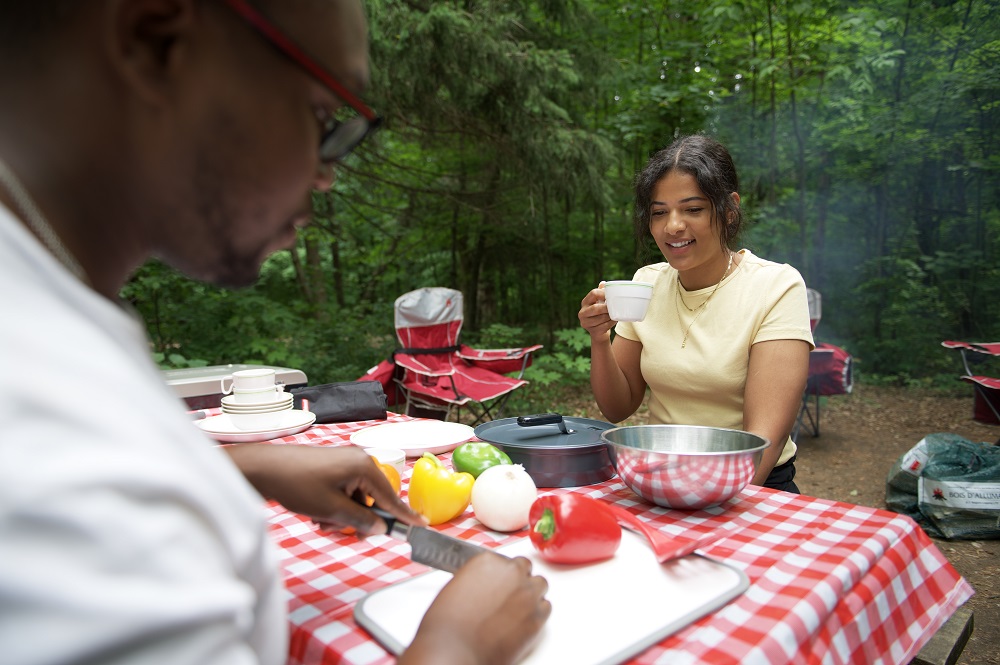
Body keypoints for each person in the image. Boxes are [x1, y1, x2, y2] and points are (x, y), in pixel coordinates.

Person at [0, 1, 550, 664]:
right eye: (322, 115)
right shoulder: (66, 453)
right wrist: (457, 646)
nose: (326, 171)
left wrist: (237, 466)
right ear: (155, 40)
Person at [578, 134, 814, 491]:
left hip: (751, 486)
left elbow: (762, 443)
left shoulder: (776, 287)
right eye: (659, 212)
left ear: (729, 208)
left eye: (693, 209)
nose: (672, 225)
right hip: (662, 475)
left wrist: (695, 508)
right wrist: (599, 338)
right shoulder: (647, 283)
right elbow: (617, 407)